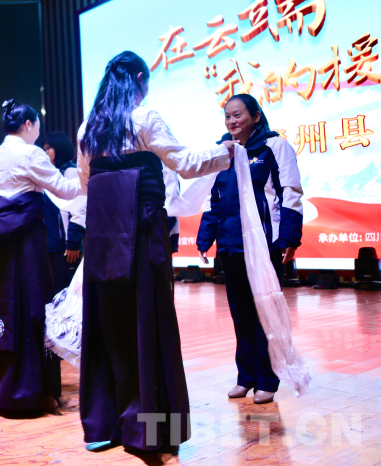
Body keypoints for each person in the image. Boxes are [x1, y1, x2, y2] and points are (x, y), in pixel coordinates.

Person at [77, 51, 236, 451]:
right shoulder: (144, 118)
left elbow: (85, 185)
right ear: (139, 80)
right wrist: (226, 152)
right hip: (143, 232)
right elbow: (185, 163)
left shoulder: (87, 129)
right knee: (148, 323)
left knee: (109, 326)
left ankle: (109, 424)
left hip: (103, 237)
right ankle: (149, 430)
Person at [0, 99, 83, 413]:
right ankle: (30, 390)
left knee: (4, 306)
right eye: (37, 125)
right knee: (31, 305)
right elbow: (65, 189)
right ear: (28, 124)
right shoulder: (30, 153)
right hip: (25, 242)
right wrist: (88, 173)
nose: (38, 131)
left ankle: (0, 387)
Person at [197, 93, 303, 405]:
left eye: (238, 114)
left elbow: (290, 191)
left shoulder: (275, 146)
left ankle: (268, 380)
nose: (231, 121)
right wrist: (205, 237)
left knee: (265, 315)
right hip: (231, 246)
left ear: (256, 116)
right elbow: (214, 200)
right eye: (227, 116)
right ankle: (246, 377)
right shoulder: (222, 152)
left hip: (264, 246)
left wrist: (289, 238)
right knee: (240, 314)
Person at [42, 132, 86, 291]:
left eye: (48, 148)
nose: (45, 153)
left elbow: (80, 210)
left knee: (65, 290)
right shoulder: (51, 175)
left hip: (66, 245)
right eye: (44, 149)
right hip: (51, 245)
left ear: (60, 148)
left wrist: (73, 243)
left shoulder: (71, 172)